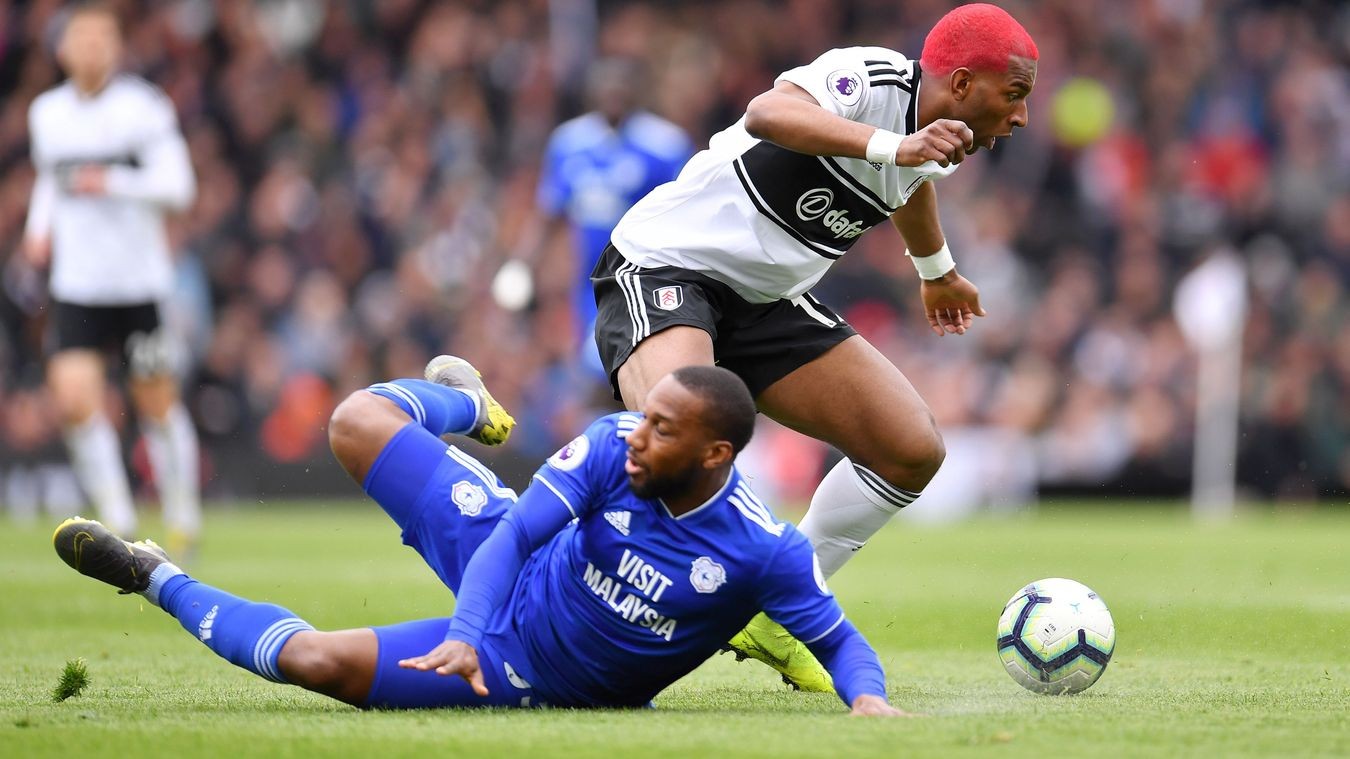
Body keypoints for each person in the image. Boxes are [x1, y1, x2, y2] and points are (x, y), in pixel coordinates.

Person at [53, 356, 906, 716]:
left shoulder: (762, 550)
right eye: (644, 416)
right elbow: (515, 533)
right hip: (505, 571)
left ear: (716, 453)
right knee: (356, 420)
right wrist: (464, 630)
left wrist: (867, 702)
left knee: (312, 662)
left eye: (663, 429)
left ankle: (153, 578)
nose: (638, 434)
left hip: (521, 668)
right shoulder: (614, 444)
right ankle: (475, 409)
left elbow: (842, 642)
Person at [590, 4, 1039, 686]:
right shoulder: (871, 78)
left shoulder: (939, 136)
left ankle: (773, 611)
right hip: (669, 267)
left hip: (766, 300)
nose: (1022, 117)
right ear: (961, 82)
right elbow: (768, 114)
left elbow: (907, 185)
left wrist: (935, 270)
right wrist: (894, 147)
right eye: (1015, 95)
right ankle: (560, 596)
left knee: (910, 448)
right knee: (679, 441)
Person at [23, 4, 200, 553]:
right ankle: (119, 519)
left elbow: (179, 187)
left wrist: (112, 181)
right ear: (62, 49)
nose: (93, 47)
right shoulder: (46, 113)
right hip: (77, 285)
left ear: (118, 47)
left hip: (138, 286)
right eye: (82, 37)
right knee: (75, 398)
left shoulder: (143, 109)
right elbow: (52, 180)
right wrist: (38, 227)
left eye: (103, 37)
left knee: (156, 403)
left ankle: (181, 514)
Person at [512, 57, 693, 373]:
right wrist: (522, 264)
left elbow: (686, 214)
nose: (613, 95)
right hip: (589, 278)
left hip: (644, 274)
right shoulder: (569, 143)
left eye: (620, 87)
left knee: (628, 361)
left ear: (635, 91)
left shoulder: (664, 145)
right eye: (605, 87)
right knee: (599, 362)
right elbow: (550, 211)